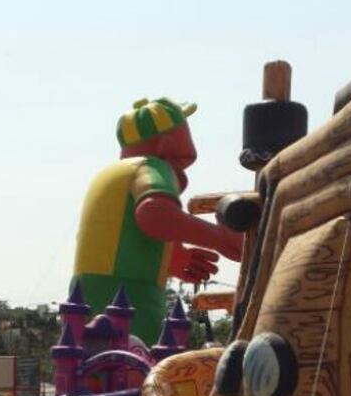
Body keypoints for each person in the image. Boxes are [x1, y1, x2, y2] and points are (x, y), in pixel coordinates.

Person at [72, 98, 244, 343]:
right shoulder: (150, 166)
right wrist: (220, 237)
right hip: (129, 301)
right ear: (168, 142)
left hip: (87, 300)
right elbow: (153, 214)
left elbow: (125, 237)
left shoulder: (111, 175)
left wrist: (174, 259)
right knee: (135, 368)